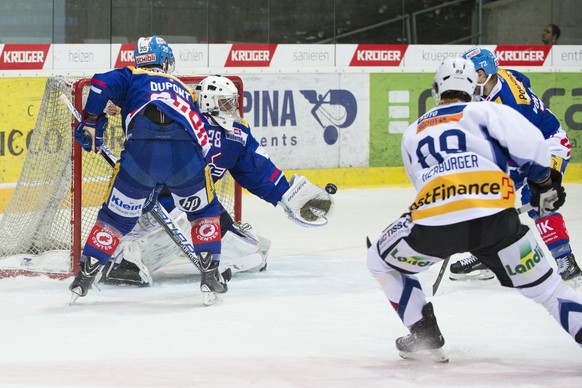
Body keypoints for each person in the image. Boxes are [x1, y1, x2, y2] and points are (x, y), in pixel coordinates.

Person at [367, 57, 582, 362]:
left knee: (378, 259)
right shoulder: (489, 111)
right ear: (473, 86)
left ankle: (425, 335)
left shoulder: (412, 131)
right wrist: (544, 184)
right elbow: (534, 150)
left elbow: (422, 184)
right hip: (498, 225)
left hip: (435, 227)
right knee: (549, 291)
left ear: (436, 89)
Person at [98, 75, 334, 286]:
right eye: (225, 102)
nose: (231, 108)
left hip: (199, 203)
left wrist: (288, 194)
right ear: (209, 101)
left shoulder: (235, 135)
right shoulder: (178, 122)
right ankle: (121, 259)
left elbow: (256, 168)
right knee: (178, 220)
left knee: (254, 251)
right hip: (153, 205)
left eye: (232, 102)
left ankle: (203, 255)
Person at [69, 36, 227, 305]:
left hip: (140, 156)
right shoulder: (183, 89)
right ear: (165, 61)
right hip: (185, 156)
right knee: (203, 212)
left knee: (116, 219)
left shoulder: (131, 76)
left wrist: (92, 120)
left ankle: (85, 274)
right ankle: (210, 274)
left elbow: (99, 83)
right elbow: (203, 139)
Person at [448, 47, 581, 286]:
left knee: (538, 195)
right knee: (490, 195)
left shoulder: (508, 105)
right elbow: (522, 79)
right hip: (524, 142)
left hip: (548, 144)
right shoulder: (499, 77)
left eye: (469, 74)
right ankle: (488, 255)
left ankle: (566, 261)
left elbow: (518, 148)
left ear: (482, 73)